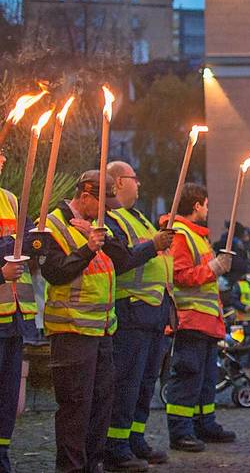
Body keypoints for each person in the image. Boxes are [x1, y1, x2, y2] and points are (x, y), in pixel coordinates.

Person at [38, 172, 137, 472]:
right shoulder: (50, 224)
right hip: (71, 330)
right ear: (84, 196)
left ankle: (92, 465)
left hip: (102, 330)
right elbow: (55, 272)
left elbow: (123, 260)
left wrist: (100, 238)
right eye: (102, 203)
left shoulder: (97, 225)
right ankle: (70, 469)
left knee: (100, 405)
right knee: (75, 408)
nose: (106, 210)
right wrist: (87, 248)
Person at [102, 161, 176, 471]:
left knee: (145, 383)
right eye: (134, 179)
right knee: (127, 383)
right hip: (131, 311)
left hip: (153, 312)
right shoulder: (110, 220)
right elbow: (122, 260)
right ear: (118, 182)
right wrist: (153, 245)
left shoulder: (140, 217)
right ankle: (115, 447)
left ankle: (135, 438)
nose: (139, 184)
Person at [164, 183, 236, 453]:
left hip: (205, 320)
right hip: (190, 319)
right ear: (196, 205)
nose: (208, 209)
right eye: (206, 204)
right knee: (187, 375)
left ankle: (204, 422)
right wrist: (215, 268)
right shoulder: (181, 234)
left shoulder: (196, 235)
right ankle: (181, 431)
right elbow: (180, 276)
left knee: (205, 378)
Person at [0, 153, 34, 473]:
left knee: (8, 400)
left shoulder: (10, 199)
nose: (2, 158)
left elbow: (27, 243)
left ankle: (3, 458)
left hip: (14, 316)